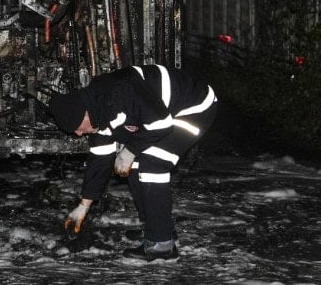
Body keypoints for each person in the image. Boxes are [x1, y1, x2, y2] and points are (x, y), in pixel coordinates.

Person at [49, 63, 217, 262]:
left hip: (194, 105)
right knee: (136, 167)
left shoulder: (120, 92)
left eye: (77, 127)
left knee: (153, 165)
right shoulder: (98, 118)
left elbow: (161, 125)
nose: (78, 134)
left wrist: (129, 151)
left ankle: (162, 246)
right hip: (163, 116)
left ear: (85, 114)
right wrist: (83, 206)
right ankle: (156, 229)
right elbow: (99, 165)